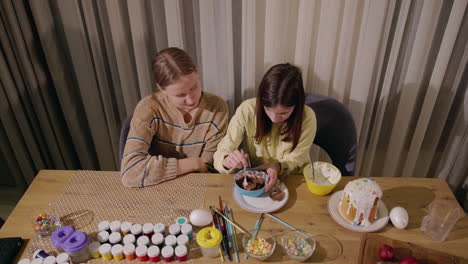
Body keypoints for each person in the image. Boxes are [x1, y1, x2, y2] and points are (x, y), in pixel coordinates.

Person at [121, 47, 229, 187]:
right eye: (180, 95)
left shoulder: (217, 109)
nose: (191, 100)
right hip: (155, 188)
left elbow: (211, 171)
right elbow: (130, 173)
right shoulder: (149, 108)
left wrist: (162, 169)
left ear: (197, 72)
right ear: (161, 88)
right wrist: (193, 163)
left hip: (197, 189)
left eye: (194, 87)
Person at [213, 63, 316, 191]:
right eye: (268, 109)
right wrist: (226, 160)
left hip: (295, 181)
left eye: (283, 113)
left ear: (297, 105)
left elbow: (296, 160)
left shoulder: (307, 118)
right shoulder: (248, 110)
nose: (274, 118)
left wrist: (277, 166)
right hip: (258, 180)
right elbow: (223, 150)